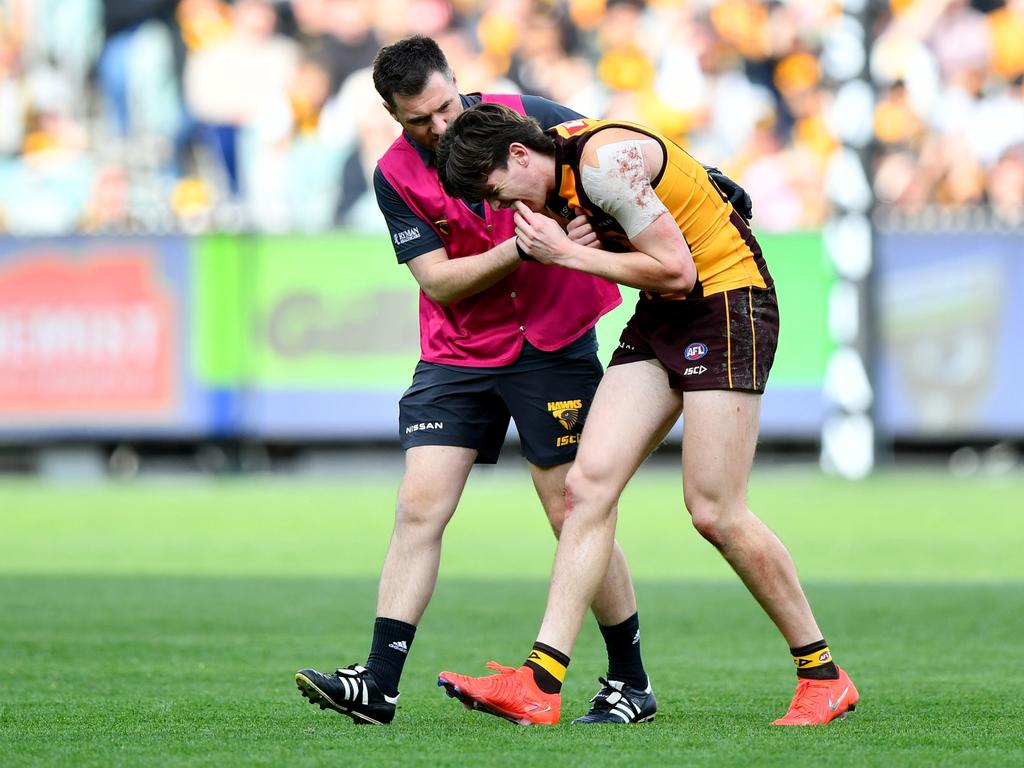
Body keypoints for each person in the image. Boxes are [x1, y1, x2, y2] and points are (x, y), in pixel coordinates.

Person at [433, 102, 859, 726]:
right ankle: (539, 682)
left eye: (494, 192)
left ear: (520, 155)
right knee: (586, 486)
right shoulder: (550, 169)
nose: (500, 209)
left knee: (714, 510)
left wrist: (567, 253)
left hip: (725, 303)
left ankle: (823, 674)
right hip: (664, 314)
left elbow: (678, 270)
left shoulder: (602, 165)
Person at [294, 35, 655, 727]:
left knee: (572, 508)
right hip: (457, 353)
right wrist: (525, 249)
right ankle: (378, 683)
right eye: (417, 121)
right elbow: (440, 284)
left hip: (553, 340)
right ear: (391, 115)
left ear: (458, 81)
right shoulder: (392, 175)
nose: (438, 129)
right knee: (419, 506)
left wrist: (680, 190)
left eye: (443, 108)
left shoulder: (530, 115)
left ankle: (630, 683)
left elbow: (620, 154)